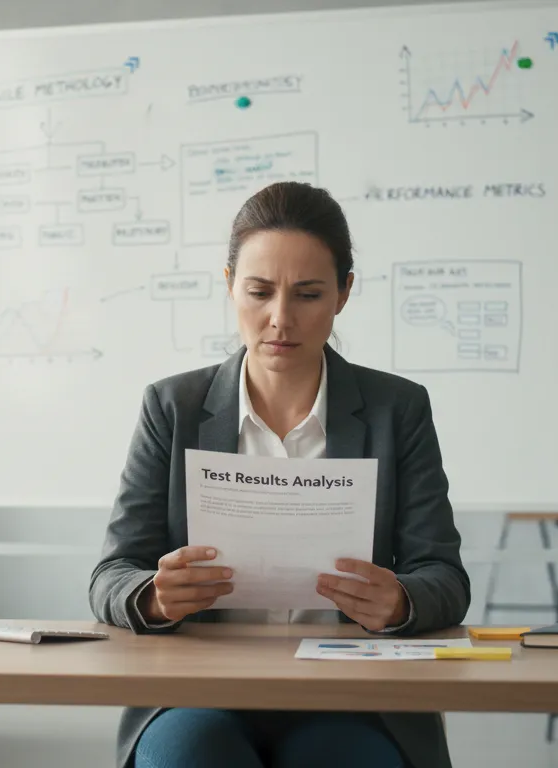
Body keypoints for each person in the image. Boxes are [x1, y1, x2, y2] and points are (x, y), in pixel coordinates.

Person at [89, 181, 470, 768]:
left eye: (309, 294)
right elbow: (112, 574)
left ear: (344, 293)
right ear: (229, 285)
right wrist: (155, 598)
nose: (280, 319)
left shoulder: (399, 409)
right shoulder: (173, 407)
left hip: (352, 697)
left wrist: (400, 601)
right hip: (200, 691)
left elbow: (444, 577)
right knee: (187, 755)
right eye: (259, 292)